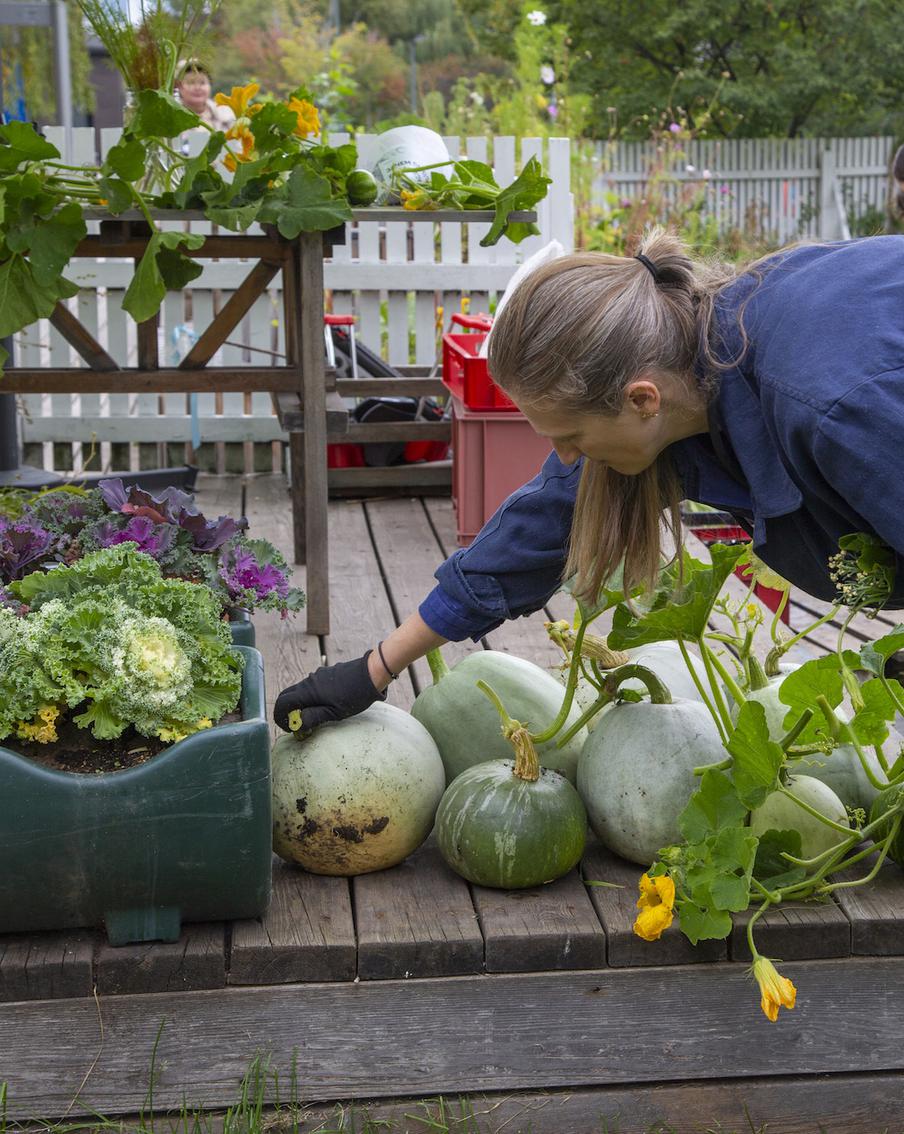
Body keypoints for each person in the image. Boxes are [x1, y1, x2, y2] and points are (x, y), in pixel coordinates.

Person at [274, 230, 904, 732]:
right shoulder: (679, 363)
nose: (565, 457)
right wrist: (375, 668)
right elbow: (542, 523)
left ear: (642, 399)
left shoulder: (837, 410)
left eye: (570, 437)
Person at [174, 59, 235, 132]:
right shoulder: (172, 116)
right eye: (191, 82)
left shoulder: (226, 113)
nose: (197, 87)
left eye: (202, 82)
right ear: (178, 86)